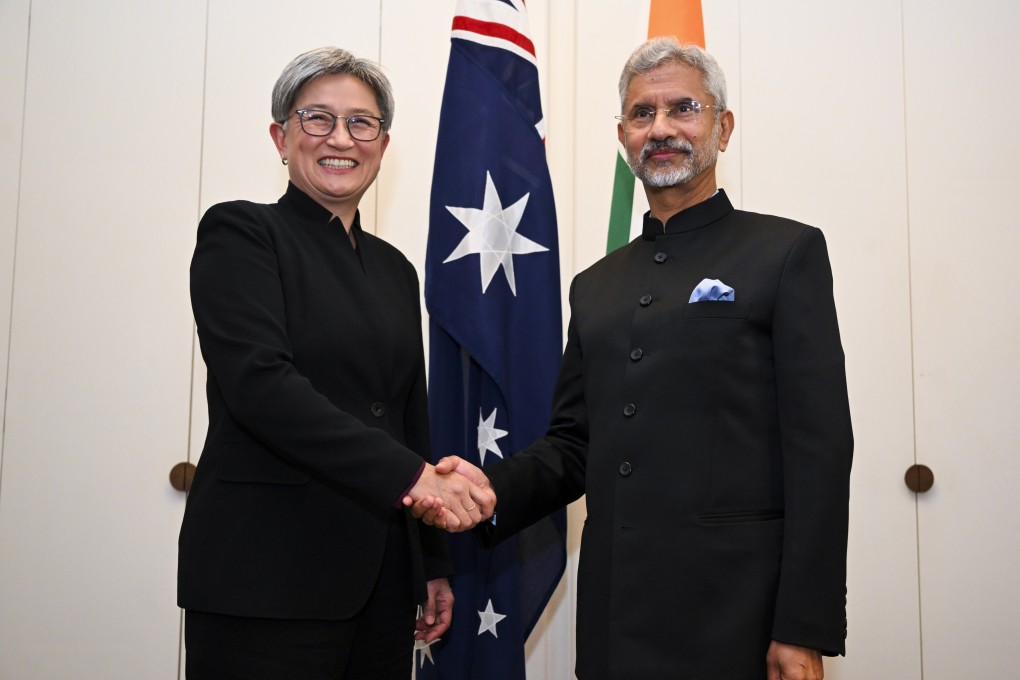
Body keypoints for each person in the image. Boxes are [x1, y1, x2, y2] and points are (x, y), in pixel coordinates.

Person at [411, 37, 853, 680]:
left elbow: (820, 451)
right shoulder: (596, 285)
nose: (662, 128)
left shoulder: (785, 254)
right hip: (616, 617)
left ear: (723, 128)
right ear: (623, 136)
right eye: (643, 113)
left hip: (741, 613)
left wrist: (802, 625)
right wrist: (488, 490)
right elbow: (572, 445)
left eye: (684, 108)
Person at [178, 47, 494, 679]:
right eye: (317, 118)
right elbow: (262, 387)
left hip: (382, 582)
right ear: (281, 137)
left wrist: (430, 562)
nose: (341, 139)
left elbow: (406, 418)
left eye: (361, 123)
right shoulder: (241, 233)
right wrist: (414, 478)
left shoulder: (395, 269)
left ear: (382, 144)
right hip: (264, 578)